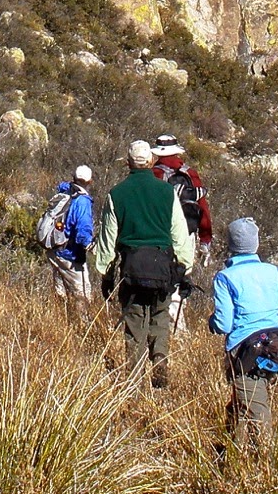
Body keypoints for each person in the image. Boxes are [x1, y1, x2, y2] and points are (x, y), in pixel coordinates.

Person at [89, 140, 196, 387]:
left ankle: (133, 382)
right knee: (159, 319)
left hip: (131, 269)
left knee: (134, 324)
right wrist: (185, 270)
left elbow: (107, 240)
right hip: (162, 268)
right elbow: (180, 235)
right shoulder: (167, 192)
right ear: (151, 162)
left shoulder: (116, 194)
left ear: (128, 163)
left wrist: (106, 275)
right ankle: (159, 367)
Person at [210, 217, 278, 447]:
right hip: (276, 350)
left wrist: (212, 322)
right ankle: (231, 456)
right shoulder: (276, 273)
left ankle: (264, 462)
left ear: (231, 244)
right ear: (256, 244)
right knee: (242, 405)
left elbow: (224, 324)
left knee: (256, 410)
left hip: (244, 353)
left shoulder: (225, 278)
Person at [152, 133, 213, 331]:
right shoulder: (191, 174)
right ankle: (179, 322)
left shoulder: (156, 174)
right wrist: (205, 239)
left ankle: (171, 327)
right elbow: (203, 208)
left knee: (165, 279)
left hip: (164, 234)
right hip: (189, 233)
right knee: (183, 277)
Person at [46, 165, 96, 313]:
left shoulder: (64, 191)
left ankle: (58, 320)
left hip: (54, 250)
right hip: (70, 255)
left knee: (60, 294)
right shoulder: (82, 202)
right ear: (90, 181)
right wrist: (93, 247)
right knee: (83, 295)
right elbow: (82, 232)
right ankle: (82, 326)